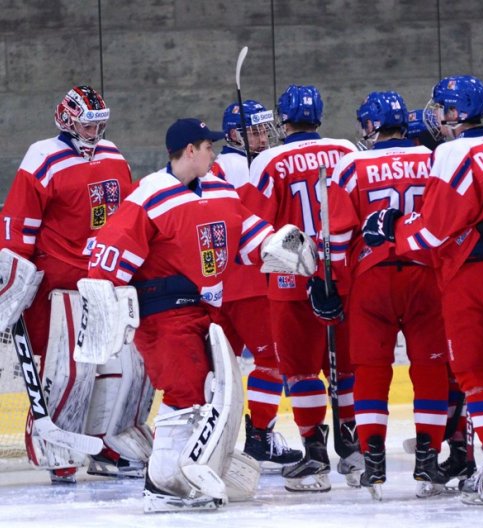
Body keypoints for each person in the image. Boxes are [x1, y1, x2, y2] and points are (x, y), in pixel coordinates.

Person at [74, 117, 318, 512]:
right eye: (208, 146)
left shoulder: (220, 189)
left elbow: (248, 234)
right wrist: (106, 306)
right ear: (190, 150)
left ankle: (179, 471)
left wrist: (280, 245)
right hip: (161, 311)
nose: (214, 153)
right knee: (187, 391)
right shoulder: (149, 196)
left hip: (203, 308)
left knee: (203, 391)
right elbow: (107, 256)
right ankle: (164, 483)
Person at [362, 75, 483, 505]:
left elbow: (435, 228)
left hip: (472, 271)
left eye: (442, 109)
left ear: (456, 114)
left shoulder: (452, 151)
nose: (438, 117)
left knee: (474, 373)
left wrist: (391, 228)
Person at [0, 85, 152, 484]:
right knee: (69, 372)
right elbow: (19, 223)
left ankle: (110, 442)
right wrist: (13, 278)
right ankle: (58, 448)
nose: (93, 131)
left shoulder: (114, 155)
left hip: (104, 280)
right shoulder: (43, 155)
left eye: (99, 123)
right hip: (60, 285)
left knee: (124, 368)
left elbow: (125, 217)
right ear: (67, 119)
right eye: (87, 123)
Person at [239, 84, 362, 492]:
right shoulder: (347, 149)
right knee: (345, 369)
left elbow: (256, 228)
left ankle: (314, 458)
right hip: (341, 275)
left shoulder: (270, 160)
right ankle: (354, 450)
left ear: (283, 121)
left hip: (291, 281)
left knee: (301, 370)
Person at [332, 91, 449, 499]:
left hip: (371, 277)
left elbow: (338, 235)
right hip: (425, 274)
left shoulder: (351, 165)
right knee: (432, 370)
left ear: (370, 126)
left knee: (371, 371)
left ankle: (374, 462)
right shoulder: (434, 160)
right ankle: (430, 462)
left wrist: (332, 283)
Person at [210, 99, 302, 470]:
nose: (262, 136)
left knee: (217, 367)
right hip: (251, 281)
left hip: (217, 282)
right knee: (271, 360)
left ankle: (207, 438)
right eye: (253, 130)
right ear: (233, 135)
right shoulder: (261, 166)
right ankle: (261, 436)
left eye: (264, 128)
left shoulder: (213, 167)